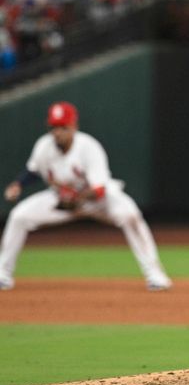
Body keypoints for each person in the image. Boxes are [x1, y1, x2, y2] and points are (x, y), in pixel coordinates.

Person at [0, 101, 172, 291]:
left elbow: (99, 189)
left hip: (98, 201)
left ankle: (155, 275)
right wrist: (18, 185)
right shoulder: (44, 146)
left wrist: (75, 198)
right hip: (60, 199)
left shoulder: (89, 147)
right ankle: (3, 274)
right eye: (54, 127)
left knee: (130, 215)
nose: (57, 132)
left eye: (63, 127)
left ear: (74, 126)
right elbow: (32, 170)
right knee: (19, 216)